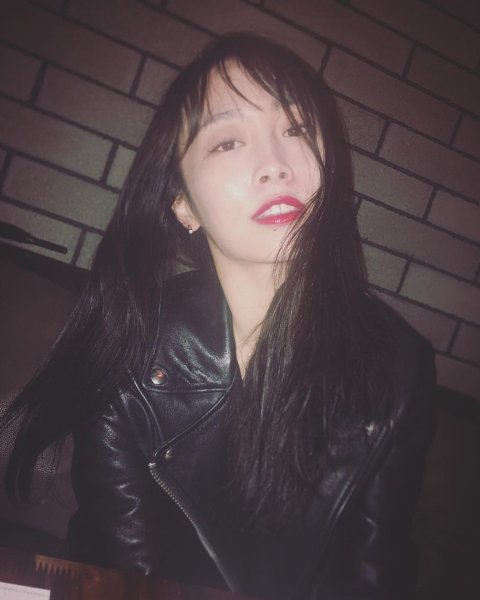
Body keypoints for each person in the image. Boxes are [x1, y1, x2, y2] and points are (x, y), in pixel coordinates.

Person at [2, 33, 436, 599]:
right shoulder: (132, 344)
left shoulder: (397, 365)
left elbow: (373, 573)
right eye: (228, 142)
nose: (275, 166)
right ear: (183, 204)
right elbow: (120, 572)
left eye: (296, 130)